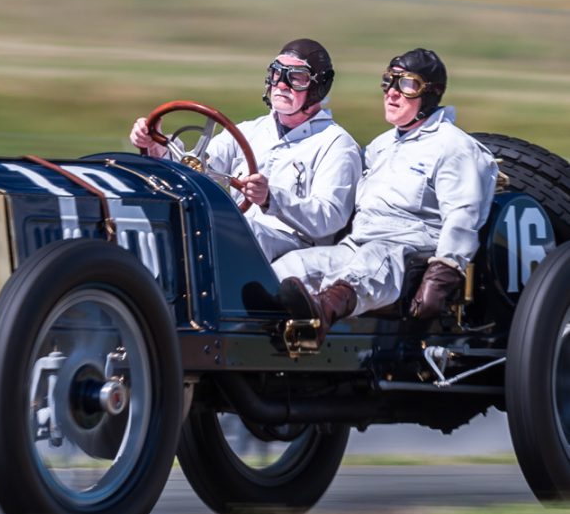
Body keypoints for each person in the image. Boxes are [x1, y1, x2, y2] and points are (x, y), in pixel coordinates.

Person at [273, 48, 499, 343]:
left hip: (406, 251)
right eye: (387, 82)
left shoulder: (453, 147)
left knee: (372, 261)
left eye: (406, 85)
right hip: (355, 245)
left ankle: (318, 318)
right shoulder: (381, 146)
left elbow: (463, 214)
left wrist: (445, 270)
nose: (391, 93)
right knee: (292, 265)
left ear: (430, 94)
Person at [129, 39, 362, 262]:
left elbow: (329, 218)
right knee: (171, 221)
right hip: (240, 231)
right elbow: (195, 168)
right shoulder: (250, 131)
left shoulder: (336, 144)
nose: (281, 85)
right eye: (276, 74)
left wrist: (271, 198)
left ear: (318, 86)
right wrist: (156, 144)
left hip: (297, 246)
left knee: (233, 229)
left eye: (296, 78)